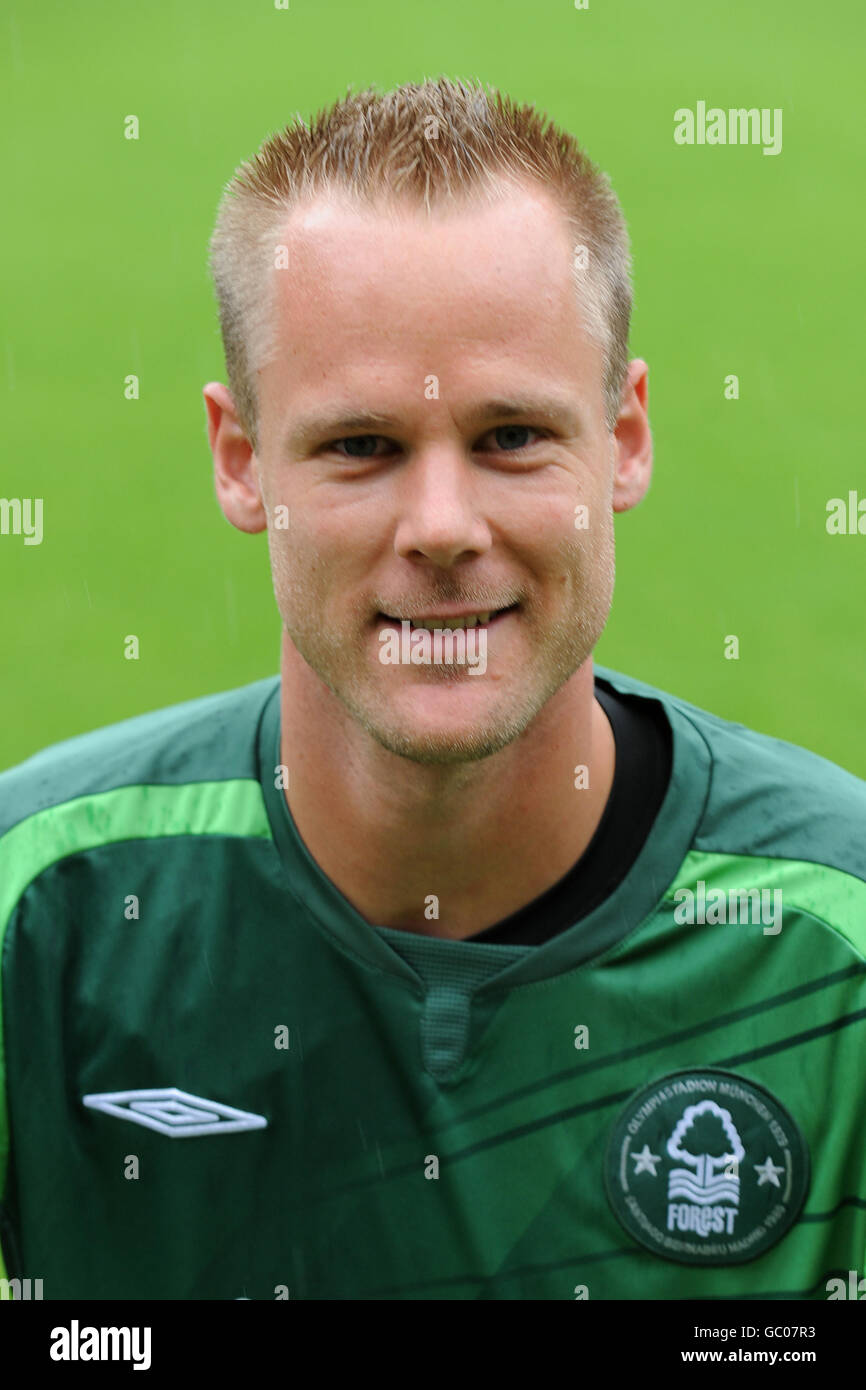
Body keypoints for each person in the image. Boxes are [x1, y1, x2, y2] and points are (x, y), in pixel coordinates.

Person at [1, 77, 863, 1301]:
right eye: (360, 446)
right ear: (241, 463)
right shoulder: (38, 905)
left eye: (511, 435)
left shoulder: (836, 937)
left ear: (623, 439)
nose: (443, 527)